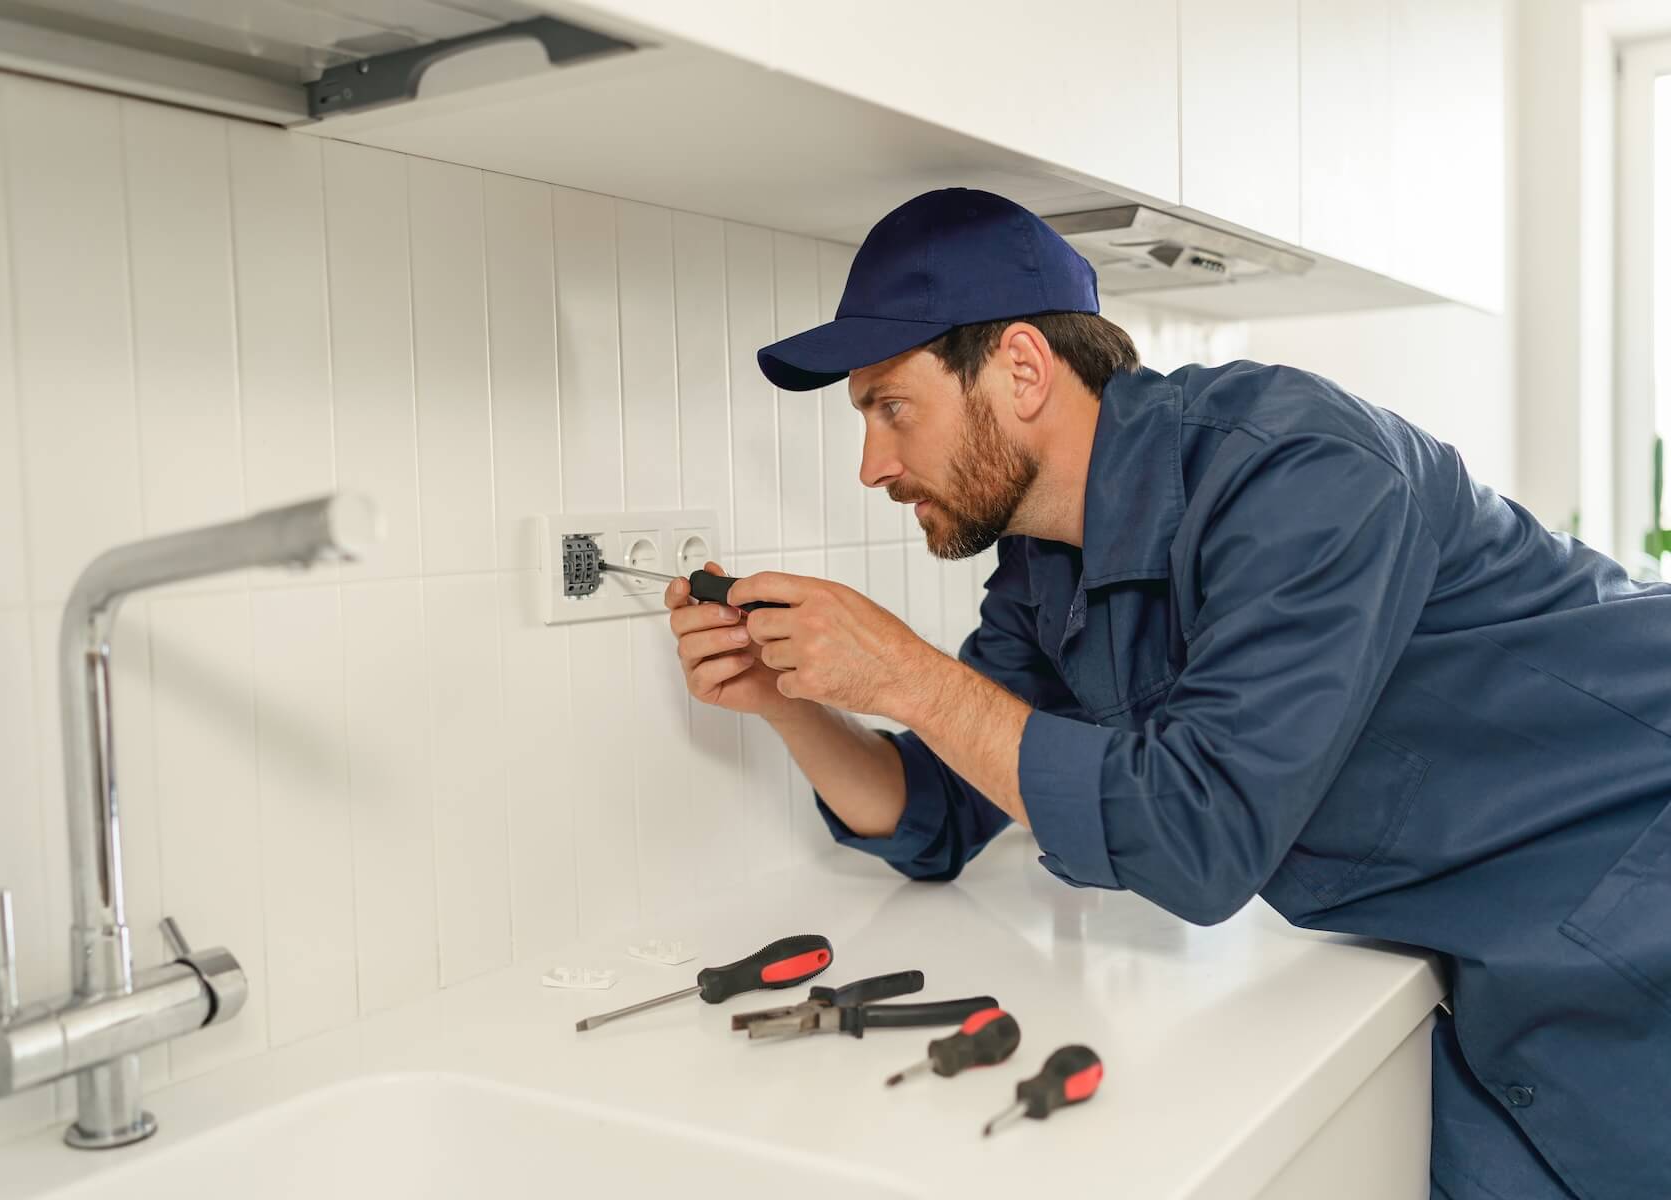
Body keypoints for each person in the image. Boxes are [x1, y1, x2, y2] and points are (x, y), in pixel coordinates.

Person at [662, 188, 1671, 1199]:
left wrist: (909, 674)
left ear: (1020, 369)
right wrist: (787, 698)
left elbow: (1199, 838)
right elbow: (937, 812)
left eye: (890, 408)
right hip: (1495, 944)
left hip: (1634, 869)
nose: (873, 465)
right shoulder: (1043, 569)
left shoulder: (1299, 470)